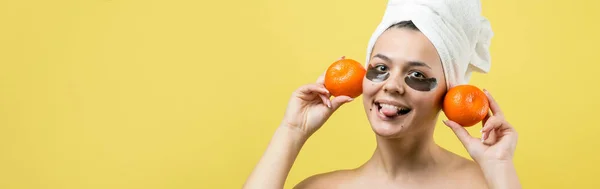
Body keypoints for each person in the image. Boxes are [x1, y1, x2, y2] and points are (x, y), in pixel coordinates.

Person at [243, 0, 521, 188]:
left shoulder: (483, 183)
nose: (392, 85)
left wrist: (500, 168)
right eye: (380, 67)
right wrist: (291, 131)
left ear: (451, 91)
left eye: (417, 75)